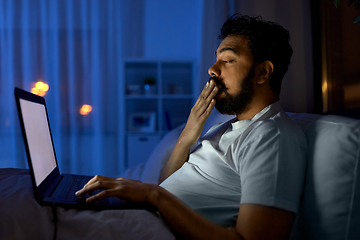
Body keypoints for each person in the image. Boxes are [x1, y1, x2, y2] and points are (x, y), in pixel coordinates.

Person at [76, 14, 307, 240]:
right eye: (216, 59)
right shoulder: (227, 127)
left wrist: (152, 195)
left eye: (227, 60)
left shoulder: (271, 135)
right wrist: (189, 132)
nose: (213, 70)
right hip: (141, 220)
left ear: (262, 72)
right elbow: (165, 184)